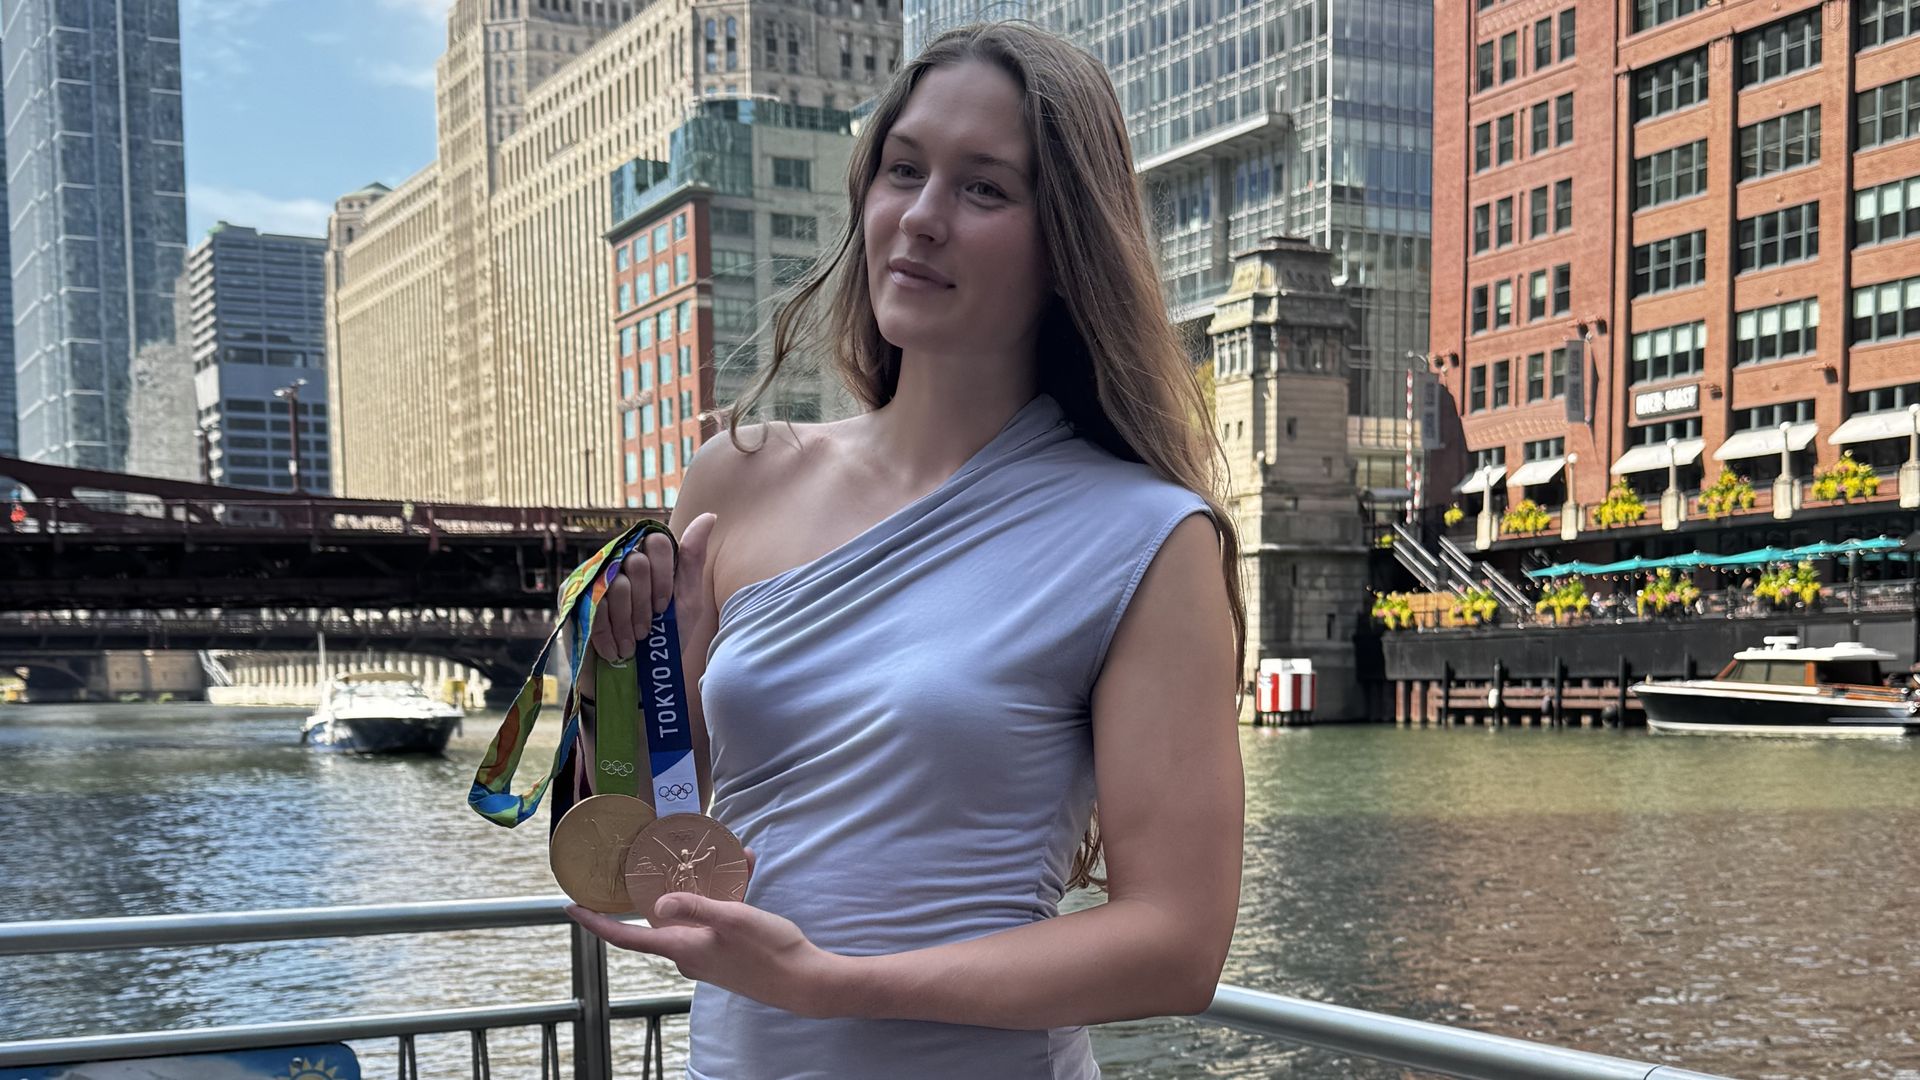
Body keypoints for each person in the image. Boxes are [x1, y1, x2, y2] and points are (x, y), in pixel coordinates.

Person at [567, 21, 1244, 1079]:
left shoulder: (1148, 539)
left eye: (983, 189)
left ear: (1067, 245)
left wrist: (831, 984)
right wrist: (636, 690)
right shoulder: (734, 479)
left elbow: (1177, 946)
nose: (921, 218)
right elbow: (647, 858)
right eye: (903, 170)